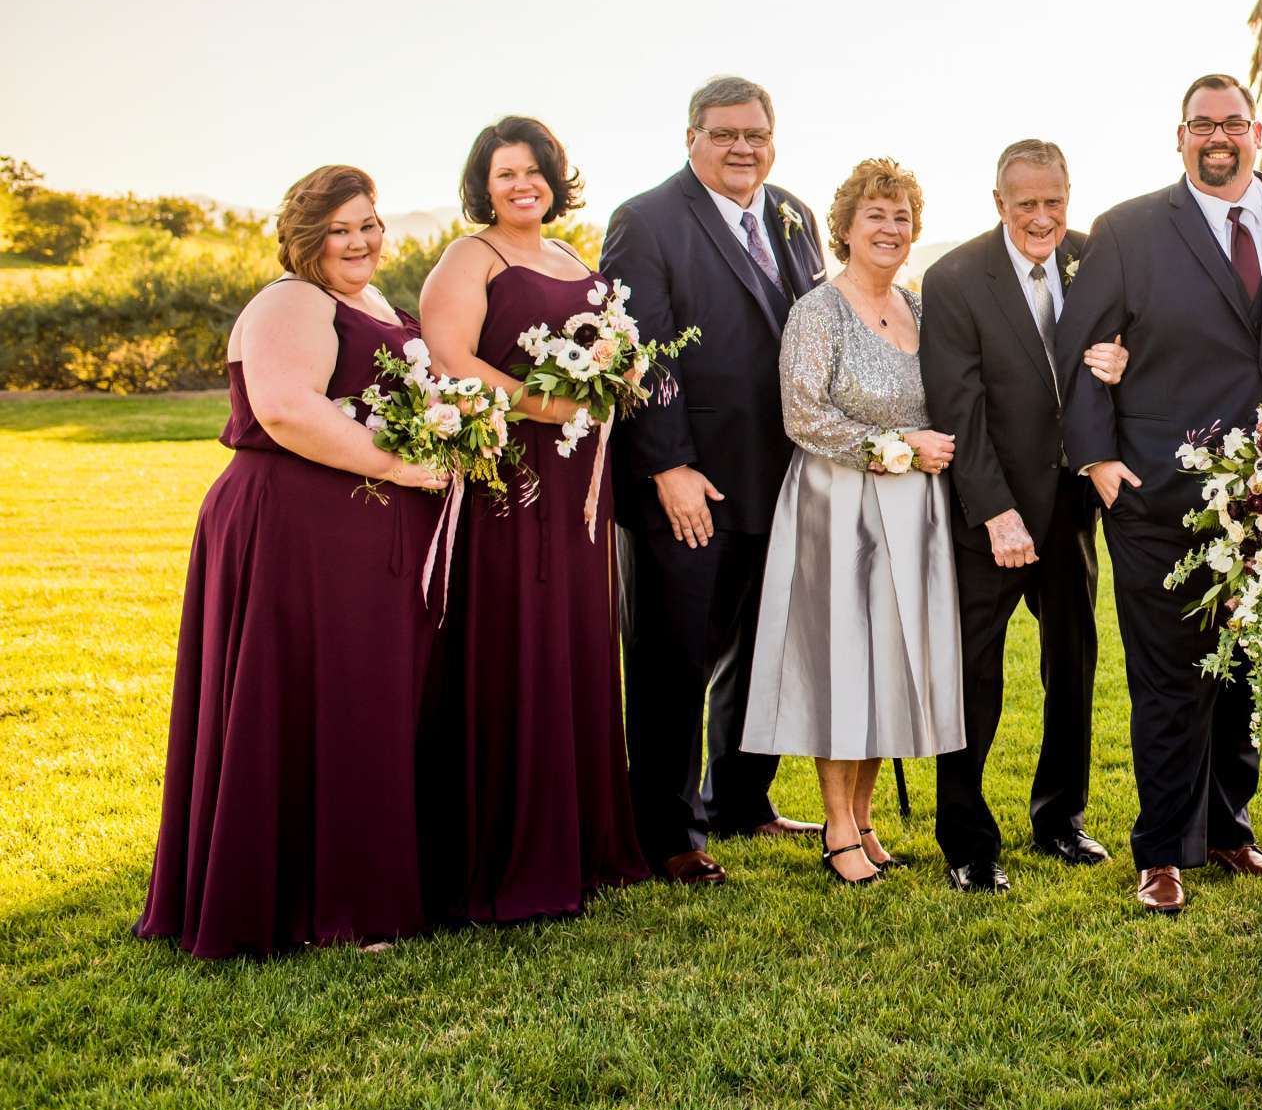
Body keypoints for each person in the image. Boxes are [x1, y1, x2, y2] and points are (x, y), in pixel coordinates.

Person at [136, 166, 451, 958]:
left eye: (369, 224)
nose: (359, 241)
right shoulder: (291, 300)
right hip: (294, 529)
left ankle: (359, 886)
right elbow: (284, 408)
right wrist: (406, 466)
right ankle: (325, 907)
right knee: (321, 701)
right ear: (304, 237)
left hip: (357, 533)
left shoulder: (374, 301)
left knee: (362, 699)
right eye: (339, 228)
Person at [1054, 73, 1262, 915]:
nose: (1218, 136)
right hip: (1156, 488)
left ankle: (1227, 829)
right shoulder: (1130, 230)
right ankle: (1162, 849)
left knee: (1248, 667)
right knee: (1169, 674)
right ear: (1179, 137)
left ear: (1259, 130)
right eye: (1201, 124)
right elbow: (1082, 348)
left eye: (1233, 122)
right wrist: (1099, 462)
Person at [418, 117, 649, 920]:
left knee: (577, 639)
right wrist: (545, 406)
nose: (523, 185)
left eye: (535, 171)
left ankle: (585, 841)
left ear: (556, 177)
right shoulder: (469, 257)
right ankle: (512, 848)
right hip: (511, 477)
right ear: (483, 184)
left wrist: (613, 378)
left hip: (584, 476)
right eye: (505, 173)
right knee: (519, 635)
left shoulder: (572, 256)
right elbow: (452, 359)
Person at [601, 76, 826, 887]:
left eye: (756, 134)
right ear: (691, 136)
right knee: (674, 660)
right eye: (725, 134)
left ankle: (741, 800)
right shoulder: (647, 220)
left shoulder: (793, 213)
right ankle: (668, 831)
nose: (743, 148)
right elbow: (643, 352)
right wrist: (668, 466)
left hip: (783, 478)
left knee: (763, 649)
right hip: (687, 487)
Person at [743, 158, 962, 887]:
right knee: (840, 664)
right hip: (837, 505)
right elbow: (803, 414)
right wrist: (895, 450)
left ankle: (864, 817)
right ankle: (837, 827)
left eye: (902, 217)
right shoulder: (818, 311)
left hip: (912, 513)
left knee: (886, 663)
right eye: (875, 215)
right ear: (844, 228)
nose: (890, 228)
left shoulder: (920, 307)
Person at [918, 140, 1110, 893]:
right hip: (989, 512)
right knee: (974, 674)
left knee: (1075, 662)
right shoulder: (956, 277)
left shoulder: (1094, 260)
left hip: (1072, 506)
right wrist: (996, 512)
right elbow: (958, 408)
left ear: (1069, 194)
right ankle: (967, 841)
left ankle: (1060, 818)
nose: (1042, 216)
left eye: (1053, 200)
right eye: (1025, 202)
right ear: (999, 202)